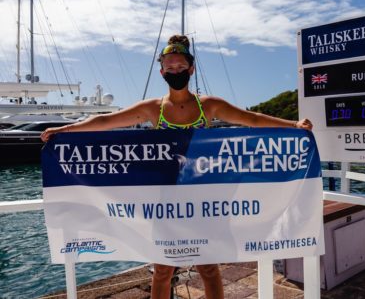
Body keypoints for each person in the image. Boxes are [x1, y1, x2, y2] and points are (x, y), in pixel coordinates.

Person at [41, 34, 313, 299]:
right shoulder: (153, 108)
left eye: (181, 67)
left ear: (191, 68)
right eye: (169, 67)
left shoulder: (209, 105)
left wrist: (293, 126)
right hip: (167, 199)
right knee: (161, 269)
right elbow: (105, 122)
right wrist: (66, 129)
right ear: (161, 72)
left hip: (205, 198)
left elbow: (251, 119)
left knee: (208, 265)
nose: (175, 71)